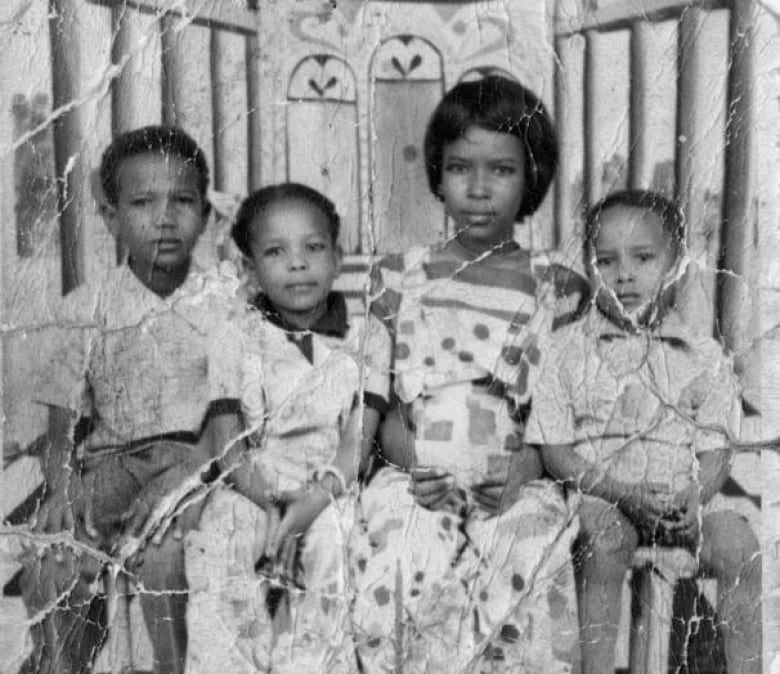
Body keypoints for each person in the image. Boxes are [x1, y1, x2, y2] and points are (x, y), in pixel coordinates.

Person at [349, 75, 589, 673]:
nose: (479, 189)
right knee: (403, 556)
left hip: (514, 479)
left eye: (501, 170)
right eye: (460, 168)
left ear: (530, 177)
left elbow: (555, 413)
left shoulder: (555, 287)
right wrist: (417, 465)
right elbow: (381, 405)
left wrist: (521, 472)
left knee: (528, 548)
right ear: (438, 174)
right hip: (415, 476)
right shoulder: (397, 277)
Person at [19, 125, 241, 674]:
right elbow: (62, 428)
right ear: (112, 217)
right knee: (55, 558)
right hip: (113, 464)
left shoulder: (228, 302)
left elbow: (235, 421)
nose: (164, 218)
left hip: (201, 463)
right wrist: (62, 487)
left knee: (168, 560)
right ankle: (60, 662)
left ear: (205, 214)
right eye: (142, 203)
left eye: (182, 201)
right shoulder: (88, 306)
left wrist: (188, 472)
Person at [524, 190, 762, 674]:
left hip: (682, 501)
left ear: (676, 265)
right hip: (606, 498)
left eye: (644, 258)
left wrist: (695, 497)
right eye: (606, 262)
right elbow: (555, 452)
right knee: (604, 543)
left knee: (741, 544)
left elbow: (715, 451)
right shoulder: (565, 350)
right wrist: (622, 493)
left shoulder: (703, 355)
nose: (624, 275)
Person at [184, 183, 392, 673]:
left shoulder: (367, 335)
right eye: (276, 252)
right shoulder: (235, 334)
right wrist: (272, 505)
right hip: (253, 487)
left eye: (313, 248)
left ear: (338, 258)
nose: (297, 263)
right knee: (220, 540)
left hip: (331, 486)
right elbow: (228, 446)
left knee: (337, 543)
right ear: (251, 269)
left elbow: (355, 446)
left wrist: (312, 503)